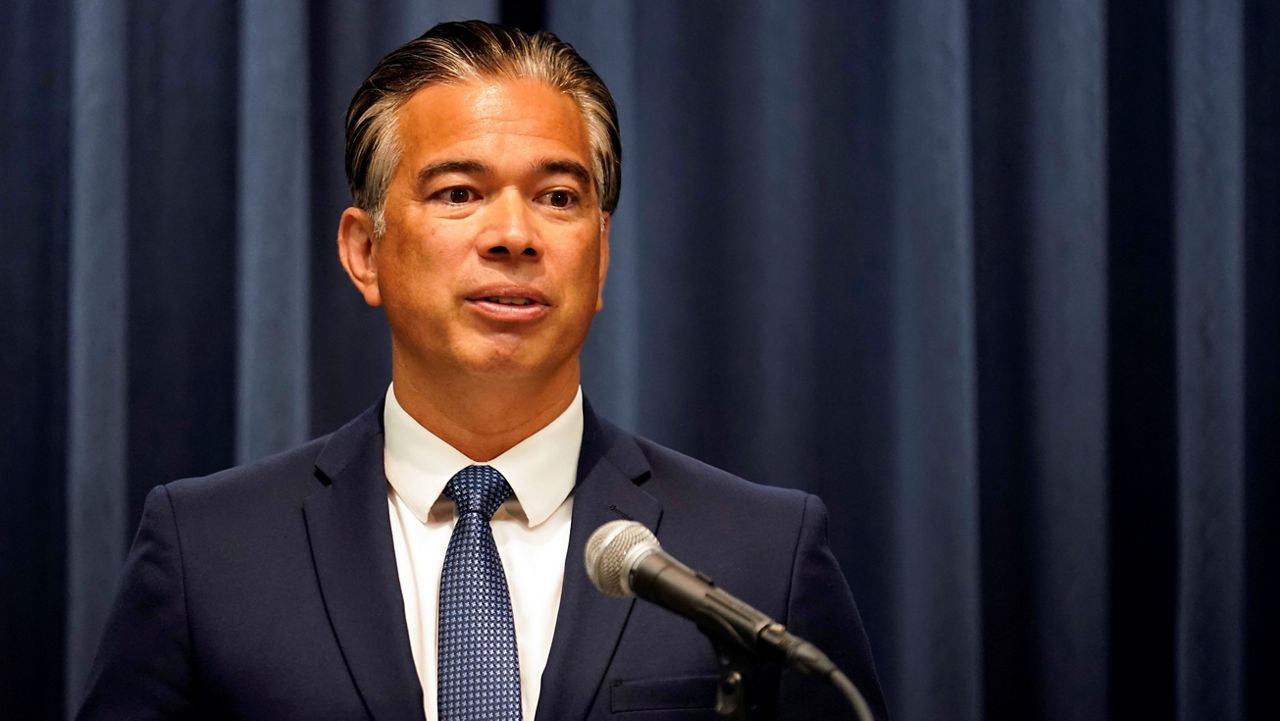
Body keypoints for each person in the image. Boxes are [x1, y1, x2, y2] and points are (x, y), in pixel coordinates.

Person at [76, 20, 887, 721]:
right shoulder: (208, 550)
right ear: (366, 252)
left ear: (600, 260)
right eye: (460, 192)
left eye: (559, 197)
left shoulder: (761, 554)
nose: (513, 234)